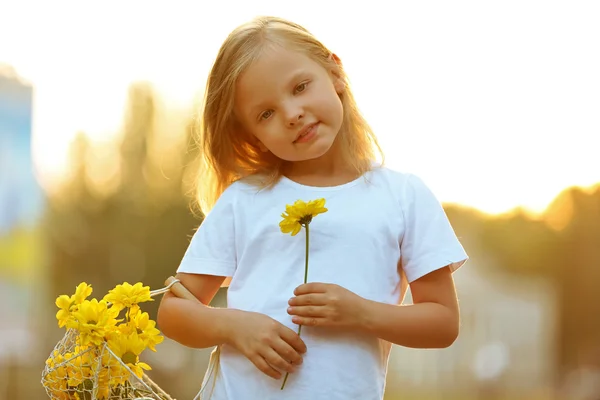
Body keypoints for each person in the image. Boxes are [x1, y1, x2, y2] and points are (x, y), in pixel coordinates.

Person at [157, 16, 468, 400]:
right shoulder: (244, 200)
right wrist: (235, 326)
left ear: (335, 71)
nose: (292, 114)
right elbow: (174, 312)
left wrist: (359, 312)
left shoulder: (403, 196)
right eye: (265, 114)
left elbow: (442, 322)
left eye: (300, 87)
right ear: (251, 135)